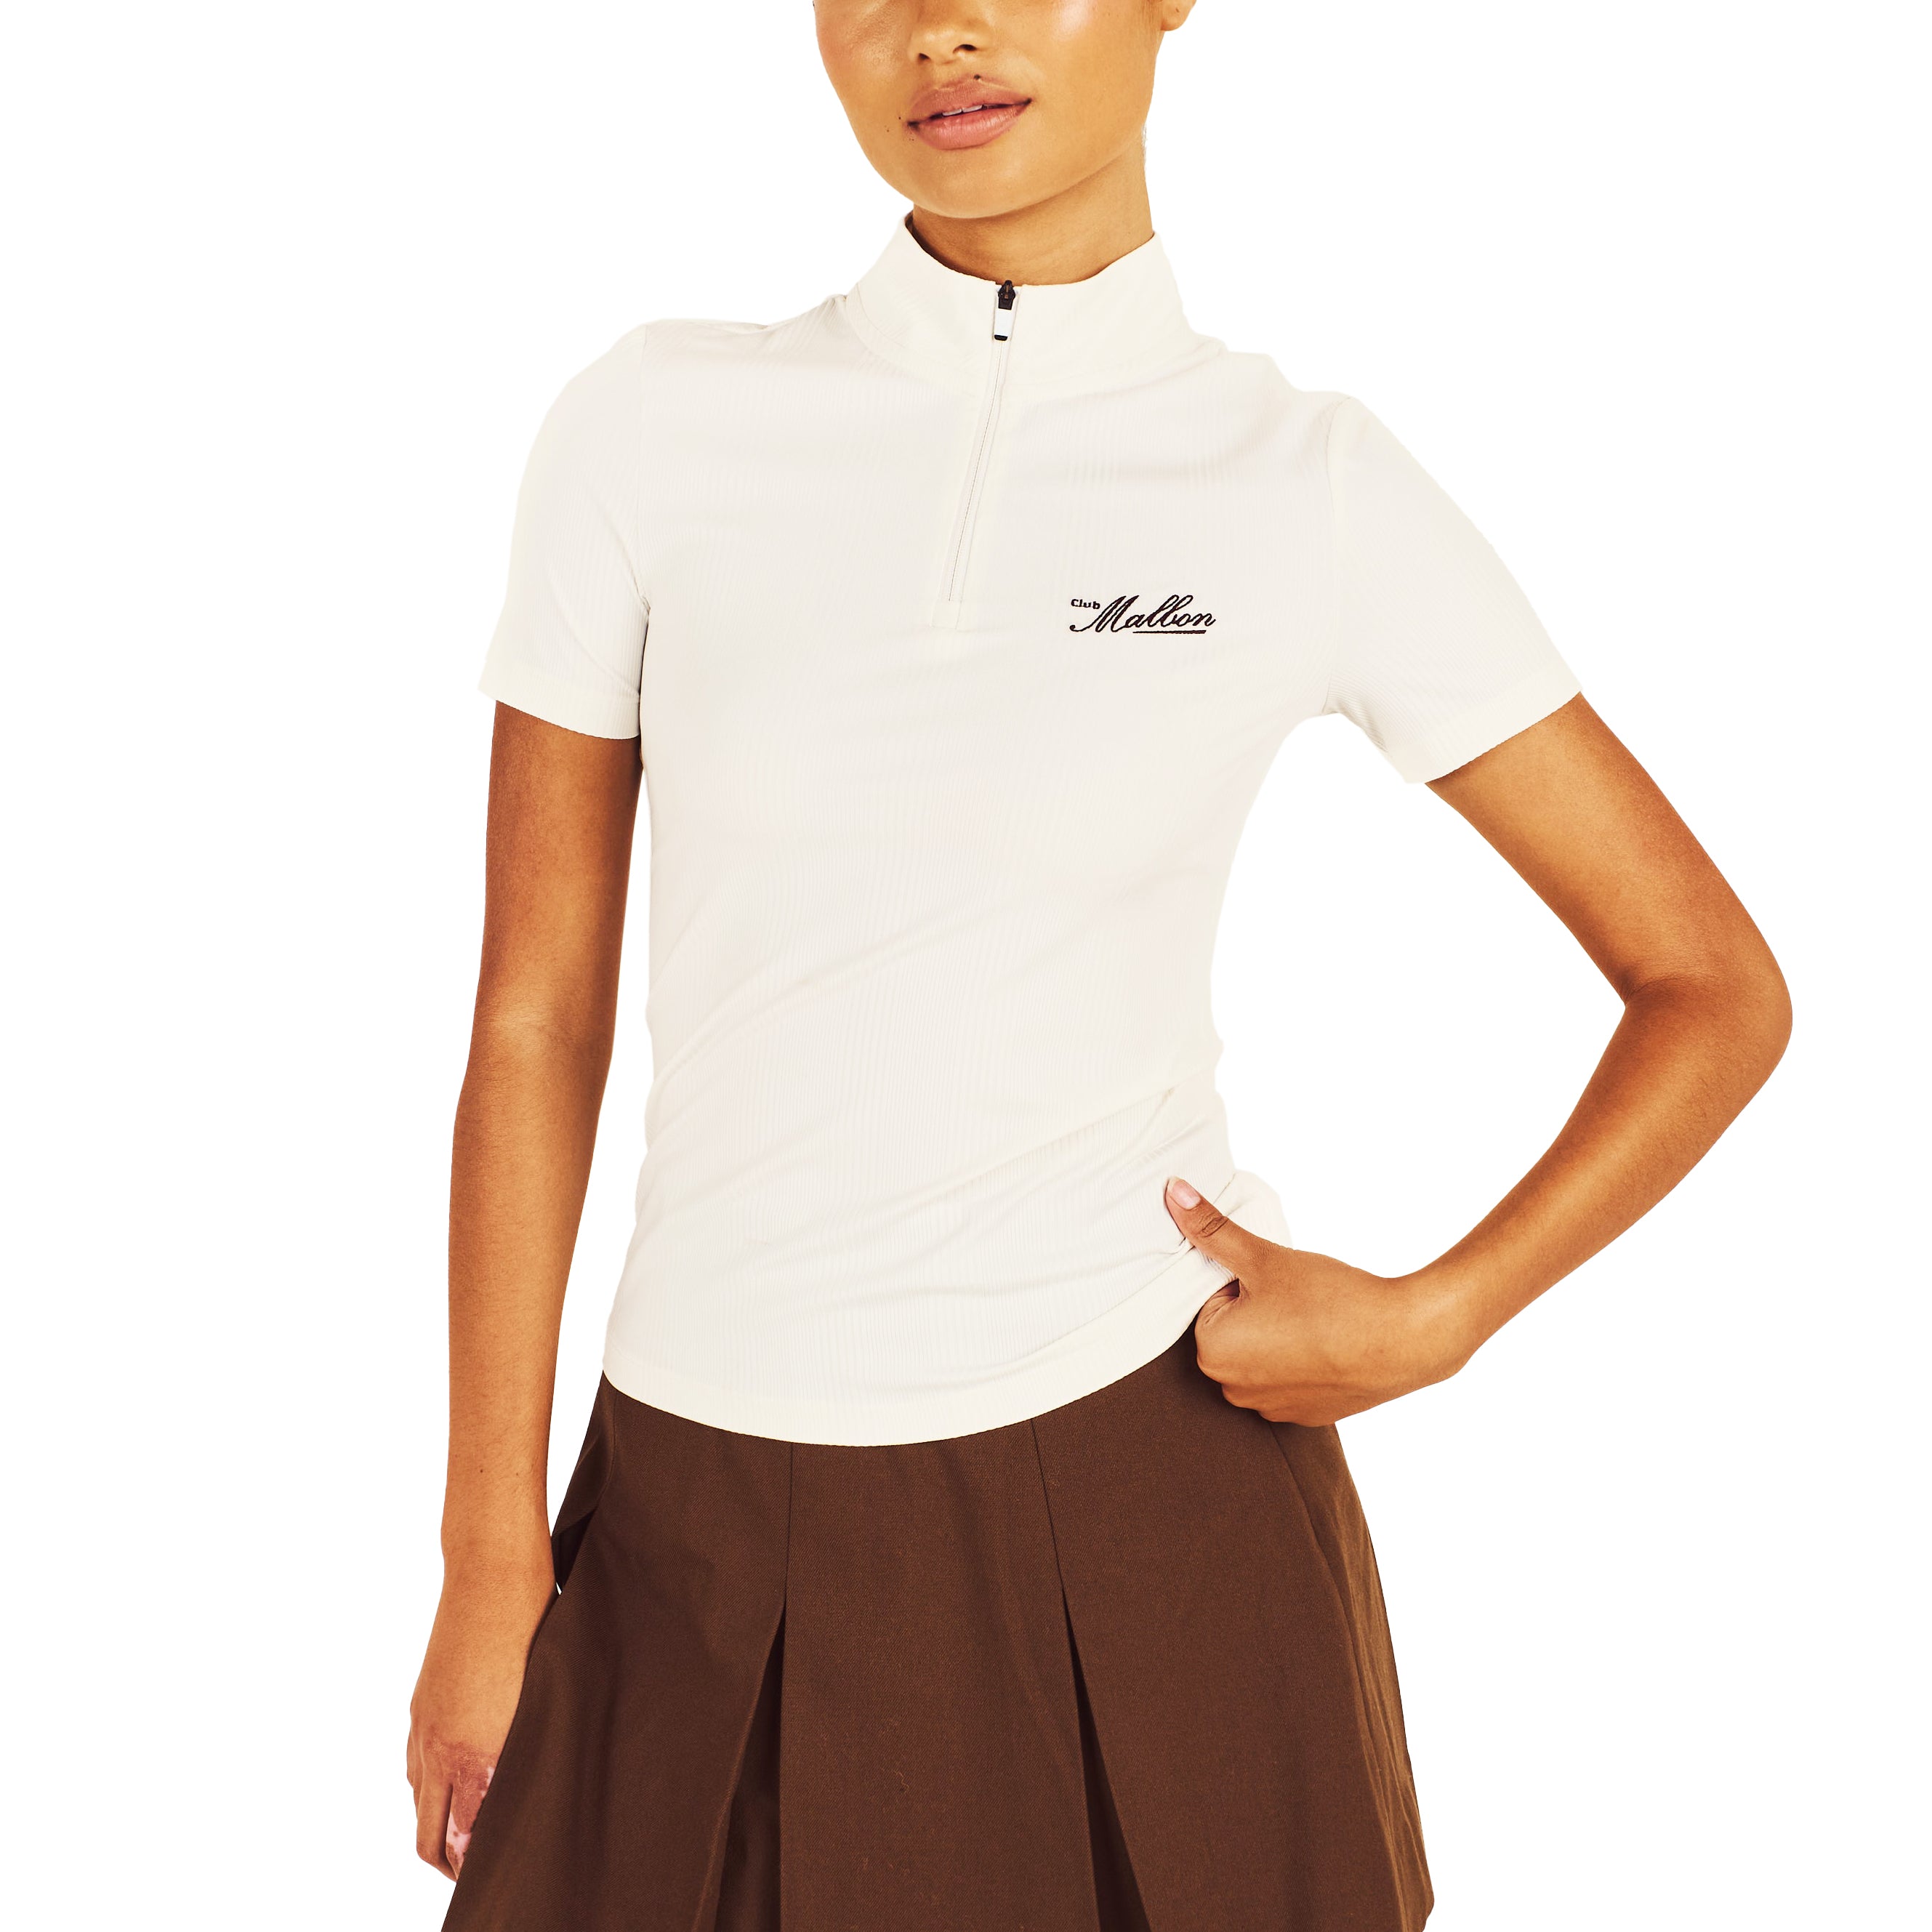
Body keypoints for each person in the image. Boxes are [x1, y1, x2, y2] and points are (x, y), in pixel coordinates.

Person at [405, 3, 1791, 1926]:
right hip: (690, 1514)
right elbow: (534, 1018)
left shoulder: (1300, 481)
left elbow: (1709, 982)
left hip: (1147, 1495)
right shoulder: (651, 426)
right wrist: (488, 1559)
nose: (942, 29)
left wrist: (1440, 1315)